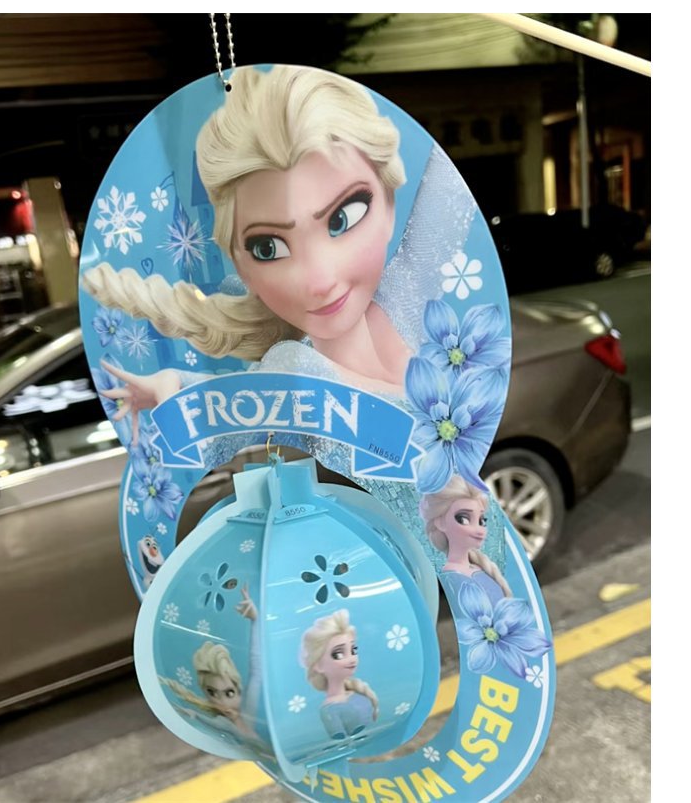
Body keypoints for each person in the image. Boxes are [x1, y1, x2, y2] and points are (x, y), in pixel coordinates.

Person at [82, 64, 413, 442]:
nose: (320, 281)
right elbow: (242, 405)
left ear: (390, 203)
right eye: (268, 248)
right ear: (240, 264)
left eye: (343, 219)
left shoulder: (413, 290)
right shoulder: (295, 366)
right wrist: (176, 388)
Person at [164, 585, 262, 740]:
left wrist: (255, 621)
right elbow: (206, 720)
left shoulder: (249, 711)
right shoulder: (224, 723)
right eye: (212, 693)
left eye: (229, 693)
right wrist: (193, 714)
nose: (223, 703)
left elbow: (256, 670)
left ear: (239, 689)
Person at [419, 474, 512, 605]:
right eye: (463, 519)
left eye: (481, 521)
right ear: (440, 523)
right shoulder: (455, 577)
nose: (479, 530)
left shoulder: (476, 567)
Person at [299, 609, 379, 740]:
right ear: (318, 665)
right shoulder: (329, 710)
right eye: (339, 654)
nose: (352, 659)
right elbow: (339, 740)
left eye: (353, 650)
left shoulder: (356, 692)